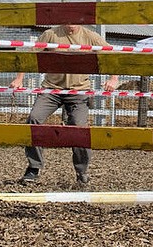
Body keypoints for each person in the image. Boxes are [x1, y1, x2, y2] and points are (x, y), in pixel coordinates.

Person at [10, 24, 119, 185]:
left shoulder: (91, 36)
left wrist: (114, 79)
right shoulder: (50, 34)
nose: (71, 22)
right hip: (51, 90)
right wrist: (19, 78)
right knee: (34, 119)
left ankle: (82, 171)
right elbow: (29, 54)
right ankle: (34, 167)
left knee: (79, 129)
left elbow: (112, 54)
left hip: (79, 91)